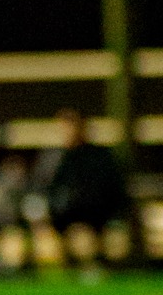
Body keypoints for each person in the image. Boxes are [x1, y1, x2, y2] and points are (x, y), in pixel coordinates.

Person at [42, 110, 131, 277]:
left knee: (88, 237)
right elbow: (47, 189)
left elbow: (111, 189)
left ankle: (96, 268)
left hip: (96, 214)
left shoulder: (97, 156)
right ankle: (66, 272)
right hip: (65, 216)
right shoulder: (56, 158)